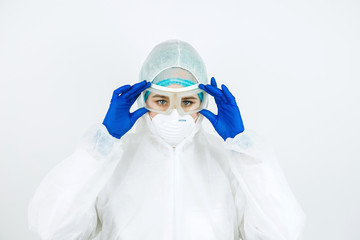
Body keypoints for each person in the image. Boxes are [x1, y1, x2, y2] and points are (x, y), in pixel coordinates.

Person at [28, 39, 306, 240]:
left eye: (187, 101)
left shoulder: (226, 161)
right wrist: (101, 145)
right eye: (161, 100)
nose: (175, 113)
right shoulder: (112, 161)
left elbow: (282, 233)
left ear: (204, 101)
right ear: (142, 99)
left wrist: (244, 149)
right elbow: (51, 230)